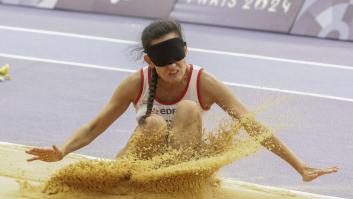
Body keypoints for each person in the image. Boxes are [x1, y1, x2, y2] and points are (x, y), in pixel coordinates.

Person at [26, 19, 338, 182]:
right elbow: (96, 126)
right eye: (163, 58)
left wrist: (299, 166)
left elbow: (251, 125)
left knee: (189, 109)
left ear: (185, 50)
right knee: (152, 122)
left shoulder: (205, 83)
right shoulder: (136, 83)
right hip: (139, 162)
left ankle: (171, 188)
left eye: (176, 54)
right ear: (149, 60)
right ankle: (131, 183)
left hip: (180, 168)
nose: (173, 64)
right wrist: (63, 151)